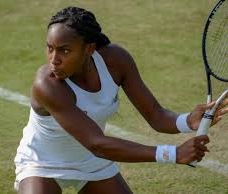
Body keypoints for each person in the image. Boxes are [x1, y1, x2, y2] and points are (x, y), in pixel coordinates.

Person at [14, 6, 228, 194]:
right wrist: (172, 153)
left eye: (65, 50)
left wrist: (187, 121)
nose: (54, 60)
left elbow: (155, 114)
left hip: (92, 164)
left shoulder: (116, 61)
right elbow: (96, 143)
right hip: (41, 163)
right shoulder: (47, 84)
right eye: (49, 48)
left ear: (89, 49)